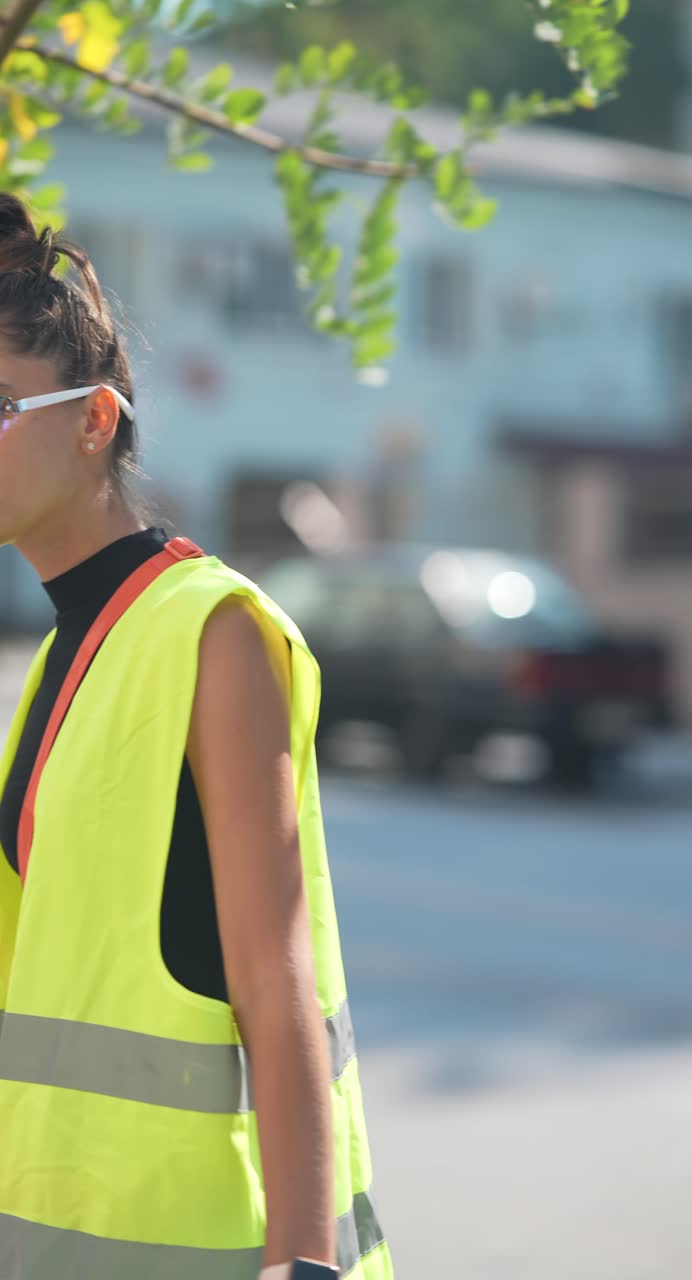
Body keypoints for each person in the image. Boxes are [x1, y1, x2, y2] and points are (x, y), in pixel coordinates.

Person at [0, 193, 392, 1280]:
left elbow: (277, 978)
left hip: (206, 1247)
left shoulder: (212, 630)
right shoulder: (64, 654)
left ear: (96, 418)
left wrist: (304, 1262)